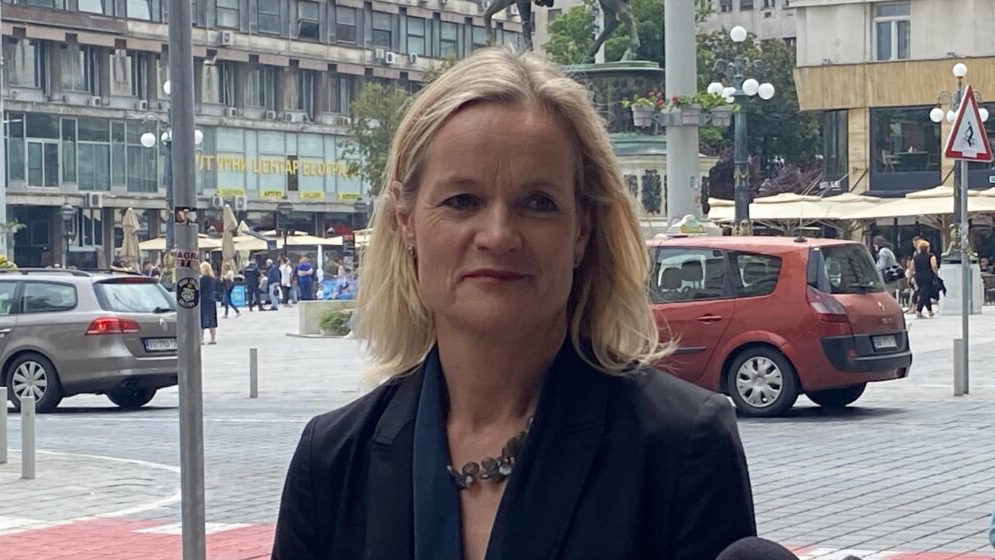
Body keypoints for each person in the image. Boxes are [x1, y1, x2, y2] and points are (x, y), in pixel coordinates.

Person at [272, 49, 755, 560]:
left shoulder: (681, 446)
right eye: (462, 201)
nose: (498, 235)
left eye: (538, 203)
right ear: (405, 222)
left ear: (581, 230)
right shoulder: (331, 462)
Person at [909, 239, 938, 319]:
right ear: (928, 248)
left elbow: (911, 268)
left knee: (925, 293)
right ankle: (919, 311)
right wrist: (936, 275)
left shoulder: (915, 257)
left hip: (918, 276)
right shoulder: (931, 256)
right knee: (924, 293)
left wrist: (909, 278)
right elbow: (934, 266)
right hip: (928, 275)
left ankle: (930, 311)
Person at [199, 262, 219, 344]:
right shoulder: (212, 278)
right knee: (212, 319)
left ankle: (201, 339)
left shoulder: (202, 279)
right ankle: (213, 338)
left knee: (202, 320)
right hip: (211, 299)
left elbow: (199, 289)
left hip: (203, 299)